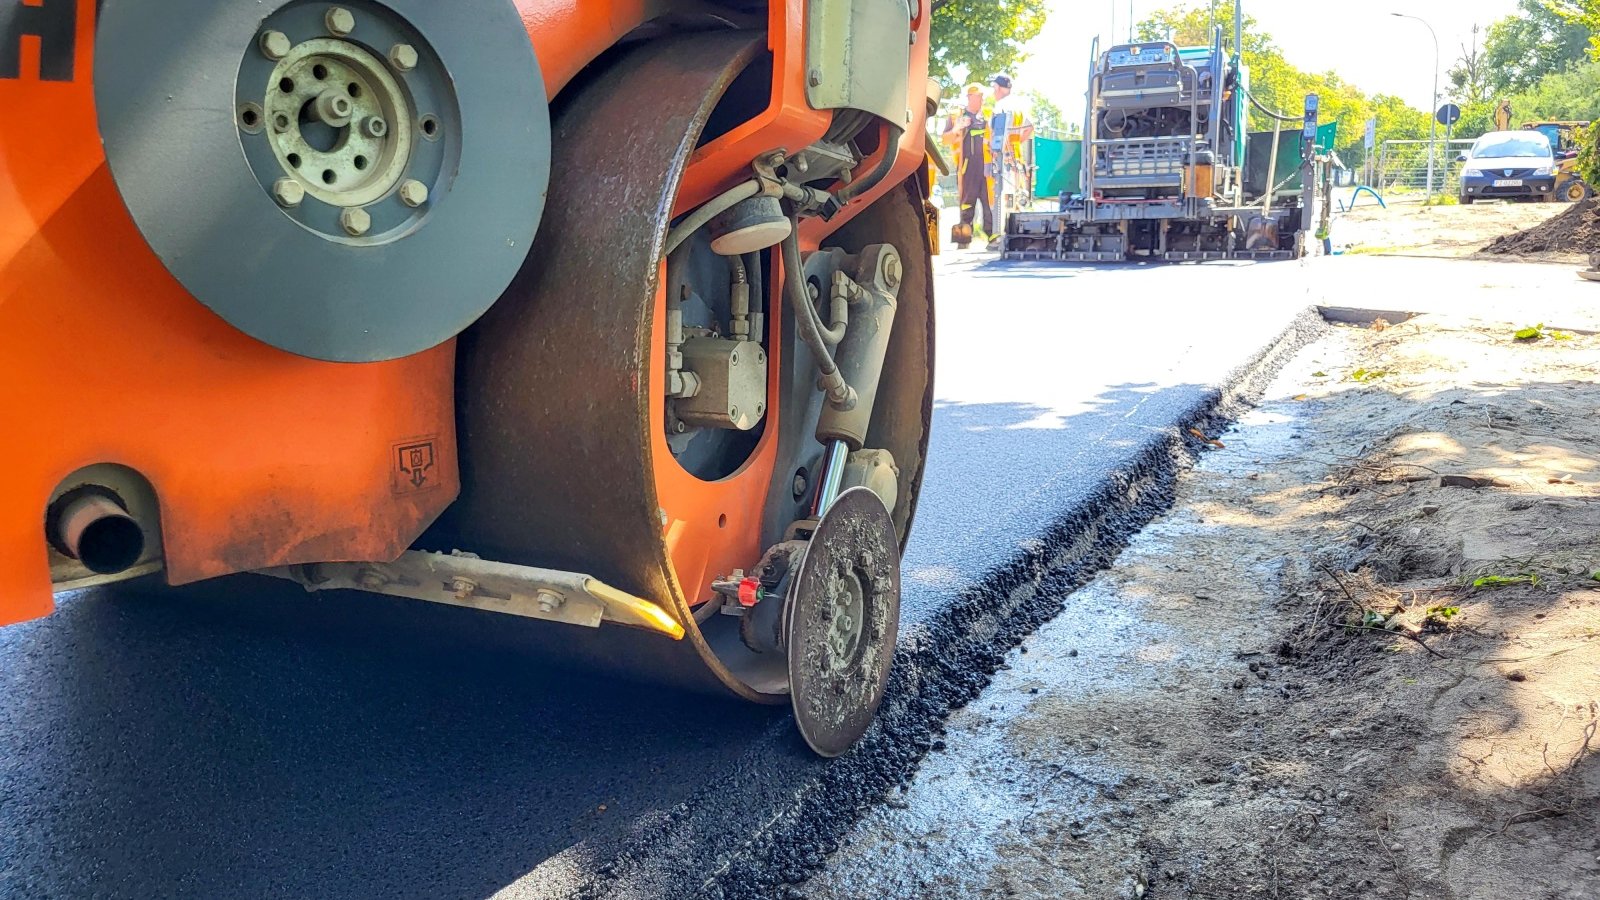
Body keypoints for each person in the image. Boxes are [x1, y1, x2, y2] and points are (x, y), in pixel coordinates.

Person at [941, 83, 994, 248]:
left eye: (982, 96)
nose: (981, 99)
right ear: (970, 97)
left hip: (986, 166)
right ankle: (964, 239)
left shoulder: (988, 117)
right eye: (978, 96)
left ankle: (991, 236)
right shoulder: (956, 116)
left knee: (988, 202)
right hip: (966, 166)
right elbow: (945, 140)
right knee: (966, 202)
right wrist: (958, 127)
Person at [988, 73, 1034, 249]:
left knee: (1002, 195)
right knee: (1016, 195)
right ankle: (1016, 236)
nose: (993, 92)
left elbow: (994, 132)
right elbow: (1030, 127)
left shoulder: (1000, 106)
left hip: (1003, 156)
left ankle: (1001, 237)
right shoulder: (1019, 105)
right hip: (1015, 155)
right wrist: (1017, 141)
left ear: (998, 88)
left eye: (994, 88)